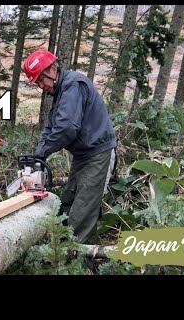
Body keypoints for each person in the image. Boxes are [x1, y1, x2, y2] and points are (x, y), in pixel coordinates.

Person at [23, 50, 117, 244]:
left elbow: (67, 128)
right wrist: (37, 155)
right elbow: (51, 127)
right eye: (38, 83)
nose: (42, 86)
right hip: (82, 155)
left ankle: (79, 258)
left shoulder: (73, 85)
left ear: (52, 69)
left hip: (97, 153)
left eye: (42, 80)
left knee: (82, 209)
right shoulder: (61, 92)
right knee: (68, 201)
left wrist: (42, 154)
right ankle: (63, 246)